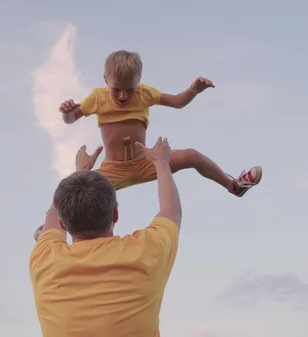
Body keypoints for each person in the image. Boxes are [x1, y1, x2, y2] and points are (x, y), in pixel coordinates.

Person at [30, 136, 182, 337]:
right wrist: (162, 163)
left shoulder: (44, 259)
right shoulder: (147, 251)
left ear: (62, 224)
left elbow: (52, 218)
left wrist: (80, 175)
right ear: (116, 214)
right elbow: (171, 210)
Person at [59, 49, 262, 196]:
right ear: (106, 80)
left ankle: (233, 185)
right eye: (116, 89)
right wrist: (67, 112)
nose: (123, 96)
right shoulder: (96, 97)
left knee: (192, 155)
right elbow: (71, 119)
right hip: (113, 169)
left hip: (147, 161)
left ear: (139, 81)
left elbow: (176, 102)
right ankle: (52, 225)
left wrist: (193, 90)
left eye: (130, 89)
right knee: (77, 190)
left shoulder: (145, 93)